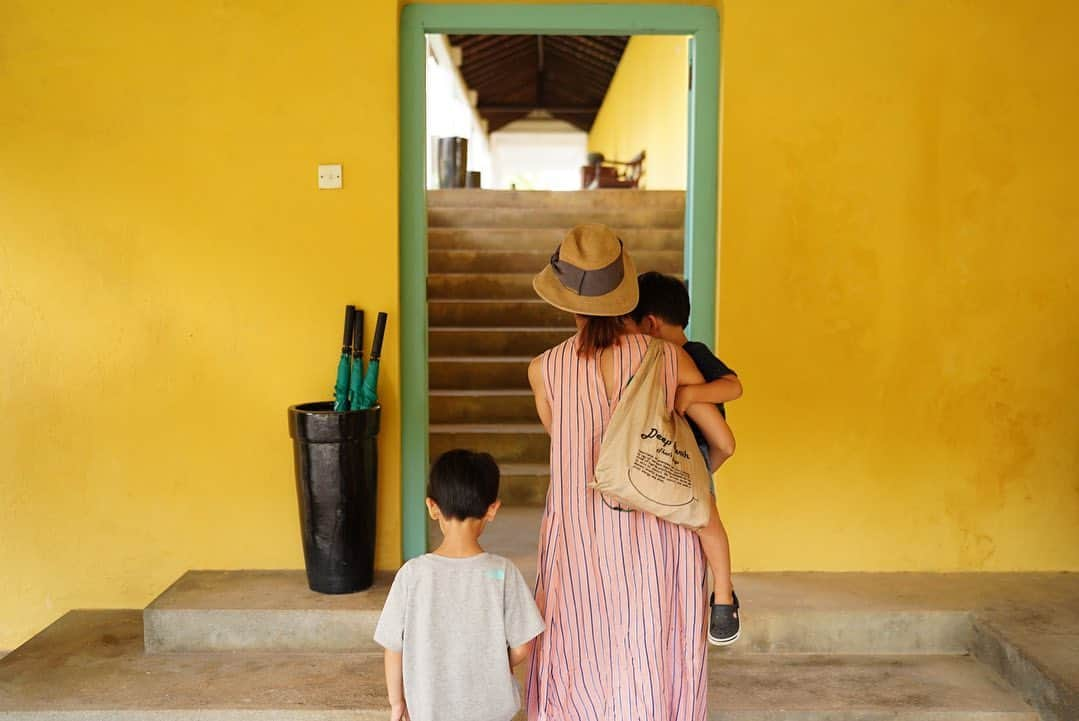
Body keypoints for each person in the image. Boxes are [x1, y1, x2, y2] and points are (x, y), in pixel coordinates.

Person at [525, 224, 734, 721]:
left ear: (566, 304)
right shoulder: (667, 357)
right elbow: (720, 436)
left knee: (579, 649)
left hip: (578, 535)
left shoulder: (543, 370)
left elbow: (565, 444)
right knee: (654, 652)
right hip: (658, 531)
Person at [374, 449, 545, 721]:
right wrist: (493, 664)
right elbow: (523, 646)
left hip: (429, 711)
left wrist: (397, 703)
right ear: (492, 509)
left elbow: (393, 647)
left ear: (432, 507)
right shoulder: (502, 574)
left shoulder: (412, 575)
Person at [630, 270, 743, 646]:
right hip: (679, 460)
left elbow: (734, 386)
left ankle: (724, 596)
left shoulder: (692, 354)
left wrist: (693, 395)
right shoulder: (663, 362)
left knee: (708, 522)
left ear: (649, 323)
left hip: (694, 456)